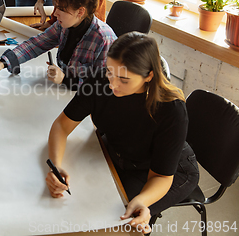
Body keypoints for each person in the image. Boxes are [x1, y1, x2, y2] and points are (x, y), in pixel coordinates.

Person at [45, 32, 199, 234]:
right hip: (121, 152)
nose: (112, 84)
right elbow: (61, 126)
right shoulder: (100, 81)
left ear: (149, 76)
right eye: (110, 72)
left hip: (169, 170)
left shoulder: (171, 110)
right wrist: (56, 166)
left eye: (124, 79)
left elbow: (161, 175)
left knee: (119, 219)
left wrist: (143, 201)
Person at [0, 0, 117, 90]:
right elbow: (35, 44)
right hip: (62, 94)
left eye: (62, 9)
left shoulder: (104, 39)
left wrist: (65, 80)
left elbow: (103, 85)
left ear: (80, 12)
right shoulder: (64, 25)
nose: (55, 13)